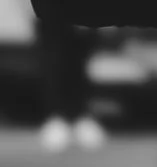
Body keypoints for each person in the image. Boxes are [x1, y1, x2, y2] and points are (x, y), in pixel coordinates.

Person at [34, 12, 105, 150]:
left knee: (80, 61)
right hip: (50, 7)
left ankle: (81, 116)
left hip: (86, 6)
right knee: (54, 59)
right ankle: (57, 116)